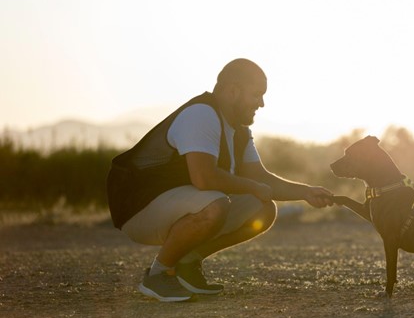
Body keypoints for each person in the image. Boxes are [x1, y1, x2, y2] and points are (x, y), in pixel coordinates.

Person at [106, 58, 334, 302]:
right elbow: (204, 178)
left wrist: (306, 192)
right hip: (139, 208)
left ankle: (187, 263)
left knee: (263, 209)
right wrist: (254, 187)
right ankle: (159, 274)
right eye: (256, 95)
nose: (262, 103)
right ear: (233, 91)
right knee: (216, 204)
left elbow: (260, 178)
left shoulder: (239, 130)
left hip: (180, 204)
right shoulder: (202, 114)